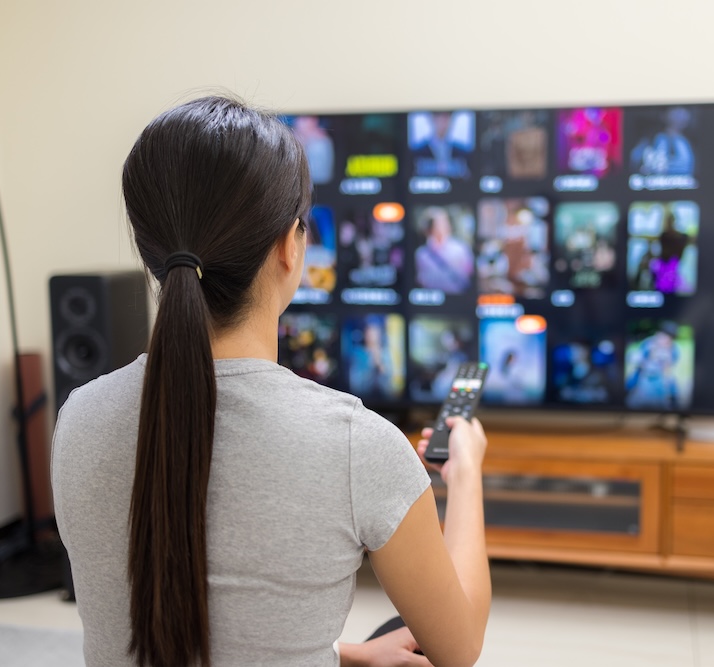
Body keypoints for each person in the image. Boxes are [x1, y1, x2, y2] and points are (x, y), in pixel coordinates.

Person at [51, 95, 491, 667]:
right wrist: (468, 473)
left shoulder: (78, 416)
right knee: (410, 634)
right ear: (290, 245)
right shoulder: (356, 444)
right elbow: (459, 649)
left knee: (382, 639)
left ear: (149, 251)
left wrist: (343, 655)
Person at [414, 206, 474, 294]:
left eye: (445, 222)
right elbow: (421, 280)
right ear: (429, 227)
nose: (443, 226)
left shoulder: (460, 248)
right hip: (432, 300)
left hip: (457, 297)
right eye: (438, 223)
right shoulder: (421, 254)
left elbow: (469, 272)